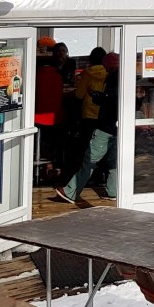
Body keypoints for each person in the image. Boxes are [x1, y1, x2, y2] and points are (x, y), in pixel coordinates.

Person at [55, 52, 119, 204]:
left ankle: (71, 192)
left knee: (90, 159)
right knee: (113, 161)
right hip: (117, 126)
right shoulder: (123, 79)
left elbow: (79, 95)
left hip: (102, 124)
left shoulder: (106, 78)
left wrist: (96, 97)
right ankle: (113, 191)